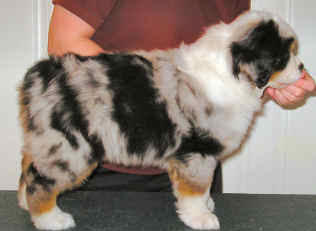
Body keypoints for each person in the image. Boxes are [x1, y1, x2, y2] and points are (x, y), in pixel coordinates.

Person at [48, 0, 316, 193]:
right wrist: (160, 107)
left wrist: (271, 82)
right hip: (107, 163)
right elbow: (63, 44)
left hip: (197, 161)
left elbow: (235, 72)